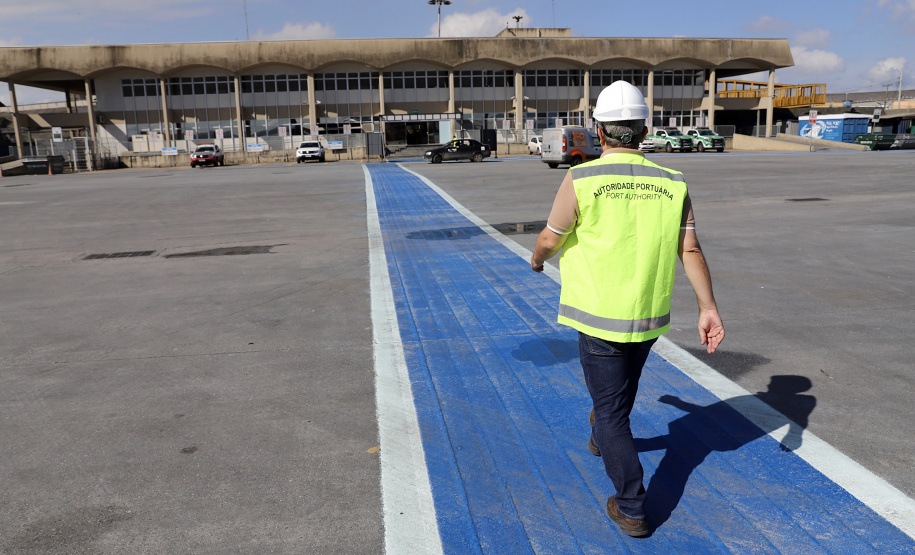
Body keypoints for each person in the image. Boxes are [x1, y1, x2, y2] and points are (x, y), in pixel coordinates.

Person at [530, 80, 725, 537]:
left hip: (599, 316)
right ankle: (601, 433)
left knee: (613, 413)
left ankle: (632, 506)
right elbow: (690, 250)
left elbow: (550, 238)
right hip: (646, 317)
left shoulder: (582, 178)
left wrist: (537, 260)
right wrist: (708, 308)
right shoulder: (673, 182)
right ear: (644, 131)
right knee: (618, 396)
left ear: (599, 131)